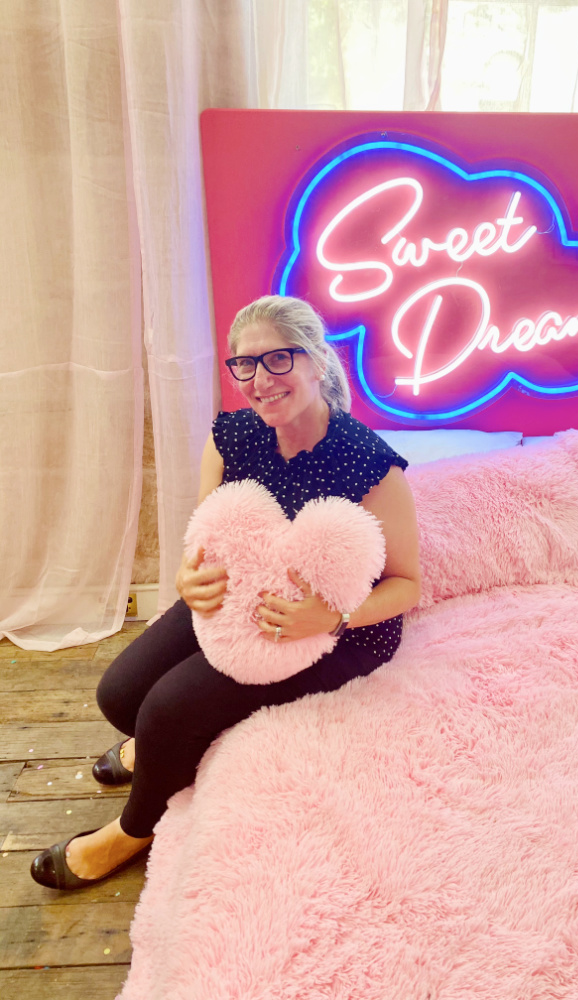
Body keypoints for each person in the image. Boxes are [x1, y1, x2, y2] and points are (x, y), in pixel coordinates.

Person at [30, 295, 421, 890]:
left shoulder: (369, 463)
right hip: (236, 599)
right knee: (120, 696)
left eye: (279, 360)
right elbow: (205, 535)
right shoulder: (232, 436)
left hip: (341, 632)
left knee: (163, 711)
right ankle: (161, 745)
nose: (260, 381)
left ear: (317, 363)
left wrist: (332, 618)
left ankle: (132, 832)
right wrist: (188, 577)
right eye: (245, 365)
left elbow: (407, 585)